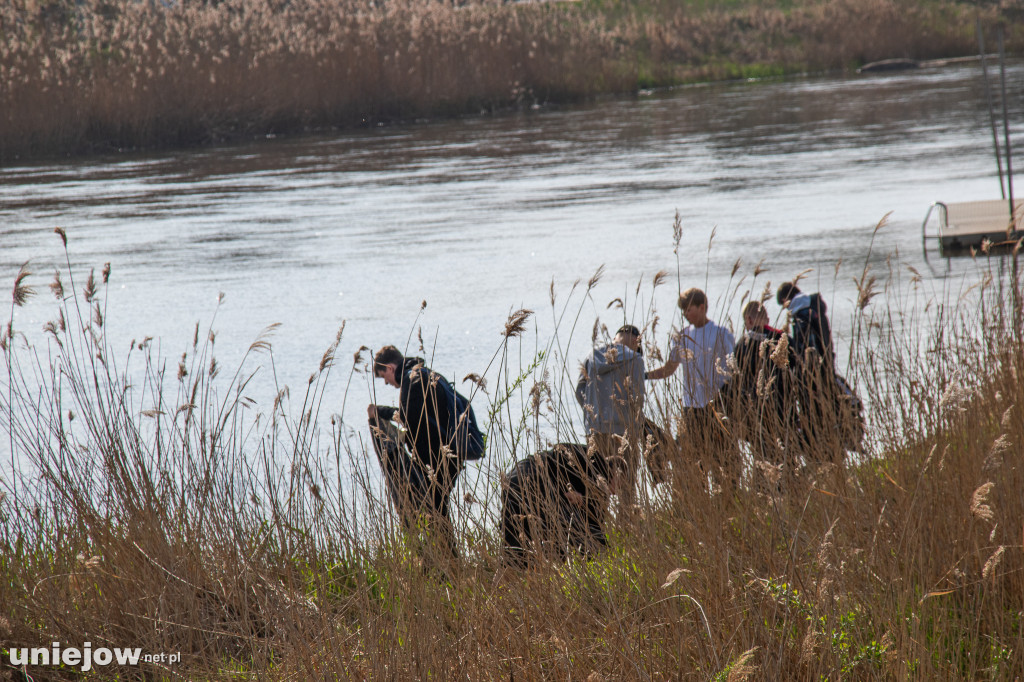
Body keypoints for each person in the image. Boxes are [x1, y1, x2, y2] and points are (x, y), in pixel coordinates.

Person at [368, 345, 465, 560]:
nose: (387, 383)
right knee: (438, 508)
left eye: (385, 377)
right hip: (449, 453)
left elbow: (406, 418)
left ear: (391, 368)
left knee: (435, 509)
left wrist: (378, 412)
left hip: (443, 456)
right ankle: (450, 560)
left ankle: (449, 562)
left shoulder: (411, 381)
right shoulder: (423, 375)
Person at [646, 287, 737, 493]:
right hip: (690, 408)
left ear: (702, 307)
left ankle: (728, 497)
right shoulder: (682, 337)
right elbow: (669, 369)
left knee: (723, 457)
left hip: (717, 405)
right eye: (684, 311)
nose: (686, 315)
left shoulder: (721, 333)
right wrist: (643, 376)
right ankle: (700, 499)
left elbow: (733, 369)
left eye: (689, 310)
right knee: (693, 460)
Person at [501, 443, 626, 568]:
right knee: (588, 546)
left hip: (512, 482)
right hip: (531, 478)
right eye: (620, 484)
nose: (615, 493)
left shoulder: (595, 493)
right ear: (616, 471)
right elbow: (560, 451)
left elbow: (594, 524)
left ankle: (504, 582)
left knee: (512, 556)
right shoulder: (595, 460)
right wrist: (565, 490)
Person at [575, 324, 645, 503]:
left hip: (595, 432)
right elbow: (637, 398)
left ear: (616, 337)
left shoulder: (592, 356)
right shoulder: (635, 359)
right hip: (624, 434)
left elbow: (579, 390)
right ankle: (628, 529)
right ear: (636, 341)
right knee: (626, 489)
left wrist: (592, 411)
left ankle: (598, 528)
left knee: (596, 485)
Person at [731, 300, 796, 465]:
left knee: (762, 458)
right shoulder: (782, 339)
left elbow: (738, 380)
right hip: (785, 407)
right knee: (787, 456)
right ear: (766, 318)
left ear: (749, 319)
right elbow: (798, 369)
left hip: (756, 410)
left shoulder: (741, 345)